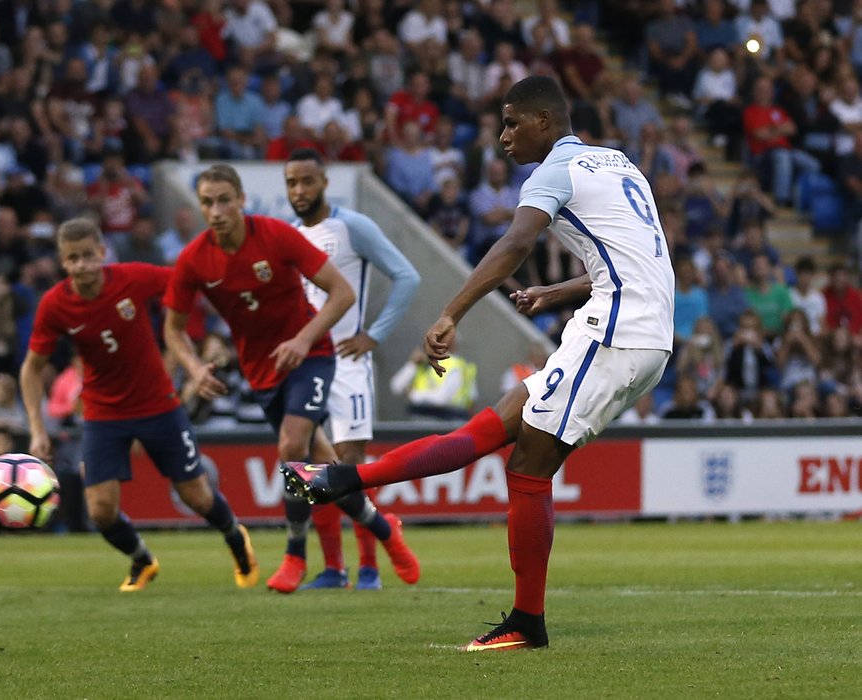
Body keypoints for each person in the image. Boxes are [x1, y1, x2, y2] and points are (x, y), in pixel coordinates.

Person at [281, 76, 674, 651]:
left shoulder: (552, 173)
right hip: (641, 331)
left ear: (544, 121)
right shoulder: (617, 163)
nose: (503, 135)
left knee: (526, 472)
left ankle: (526, 622)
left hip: (615, 332)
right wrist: (556, 292)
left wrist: (450, 313)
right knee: (486, 430)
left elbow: (515, 244)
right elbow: (637, 261)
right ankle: (343, 479)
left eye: (513, 122)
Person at [163, 164, 420, 594]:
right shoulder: (194, 259)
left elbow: (342, 293)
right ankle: (383, 528)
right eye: (207, 202)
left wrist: (303, 341)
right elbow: (172, 327)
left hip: (312, 355)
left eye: (225, 199)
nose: (216, 210)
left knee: (291, 446)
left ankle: (294, 554)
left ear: (242, 200)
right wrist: (192, 368)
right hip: (262, 371)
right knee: (320, 469)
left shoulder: (277, 235)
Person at [20, 217, 258, 592]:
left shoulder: (133, 277)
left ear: (102, 253)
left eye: (88, 255)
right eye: (73, 258)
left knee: (195, 495)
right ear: (63, 262)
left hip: (159, 405)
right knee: (100, 510)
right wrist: (37, 429)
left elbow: (185, 282)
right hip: (103, 413)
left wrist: (194, 344)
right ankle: (142, 559)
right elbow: (31, 370)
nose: (82, 265)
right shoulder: (55, 305)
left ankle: (234, 537)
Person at [284, 148, 422, 590]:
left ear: (324, 182)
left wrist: (374, 334)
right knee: (309, 467)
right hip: (307, 364)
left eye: (307, 181)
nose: (299, 190)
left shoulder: (352, 227)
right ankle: (332, 569)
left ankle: (369, 567)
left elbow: (407, 276)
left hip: (347, 361)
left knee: (349, 464)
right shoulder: (286, 236)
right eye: (292, 182)